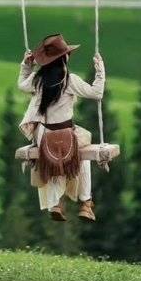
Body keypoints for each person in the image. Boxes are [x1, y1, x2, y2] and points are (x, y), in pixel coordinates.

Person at [17, 33, 105, 222]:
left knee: (54, 160)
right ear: (64, 58)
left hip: (44, 135)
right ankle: (86, 202)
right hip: (66, 132)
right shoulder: (69, 80)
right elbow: (96, 93)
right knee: (82, 154)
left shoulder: (38, 80)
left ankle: (56, 202)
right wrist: (100, 71)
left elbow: (21, 85)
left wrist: (26, 66)